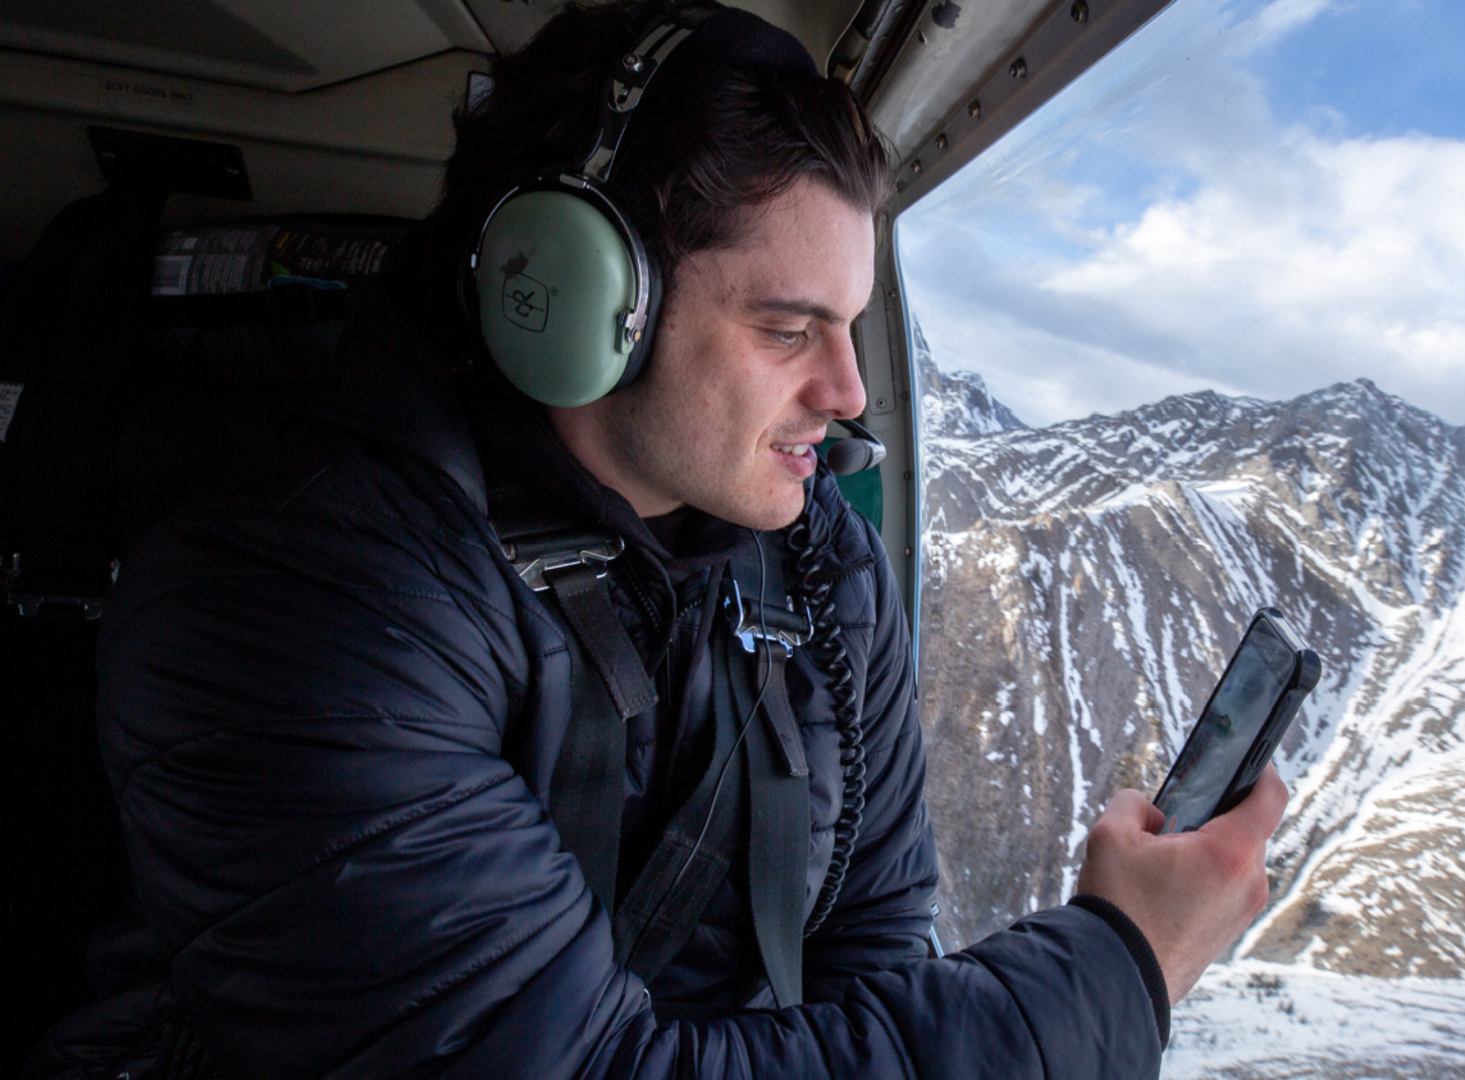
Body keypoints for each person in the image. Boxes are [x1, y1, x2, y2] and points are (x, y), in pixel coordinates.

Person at [25, 3, 1289, 1076]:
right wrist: (1119, 968)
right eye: (788, 329)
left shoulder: (821, 569)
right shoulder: (296, 590)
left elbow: (870, 938)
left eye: (852, 325)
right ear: (578, 304)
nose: (849, 393)